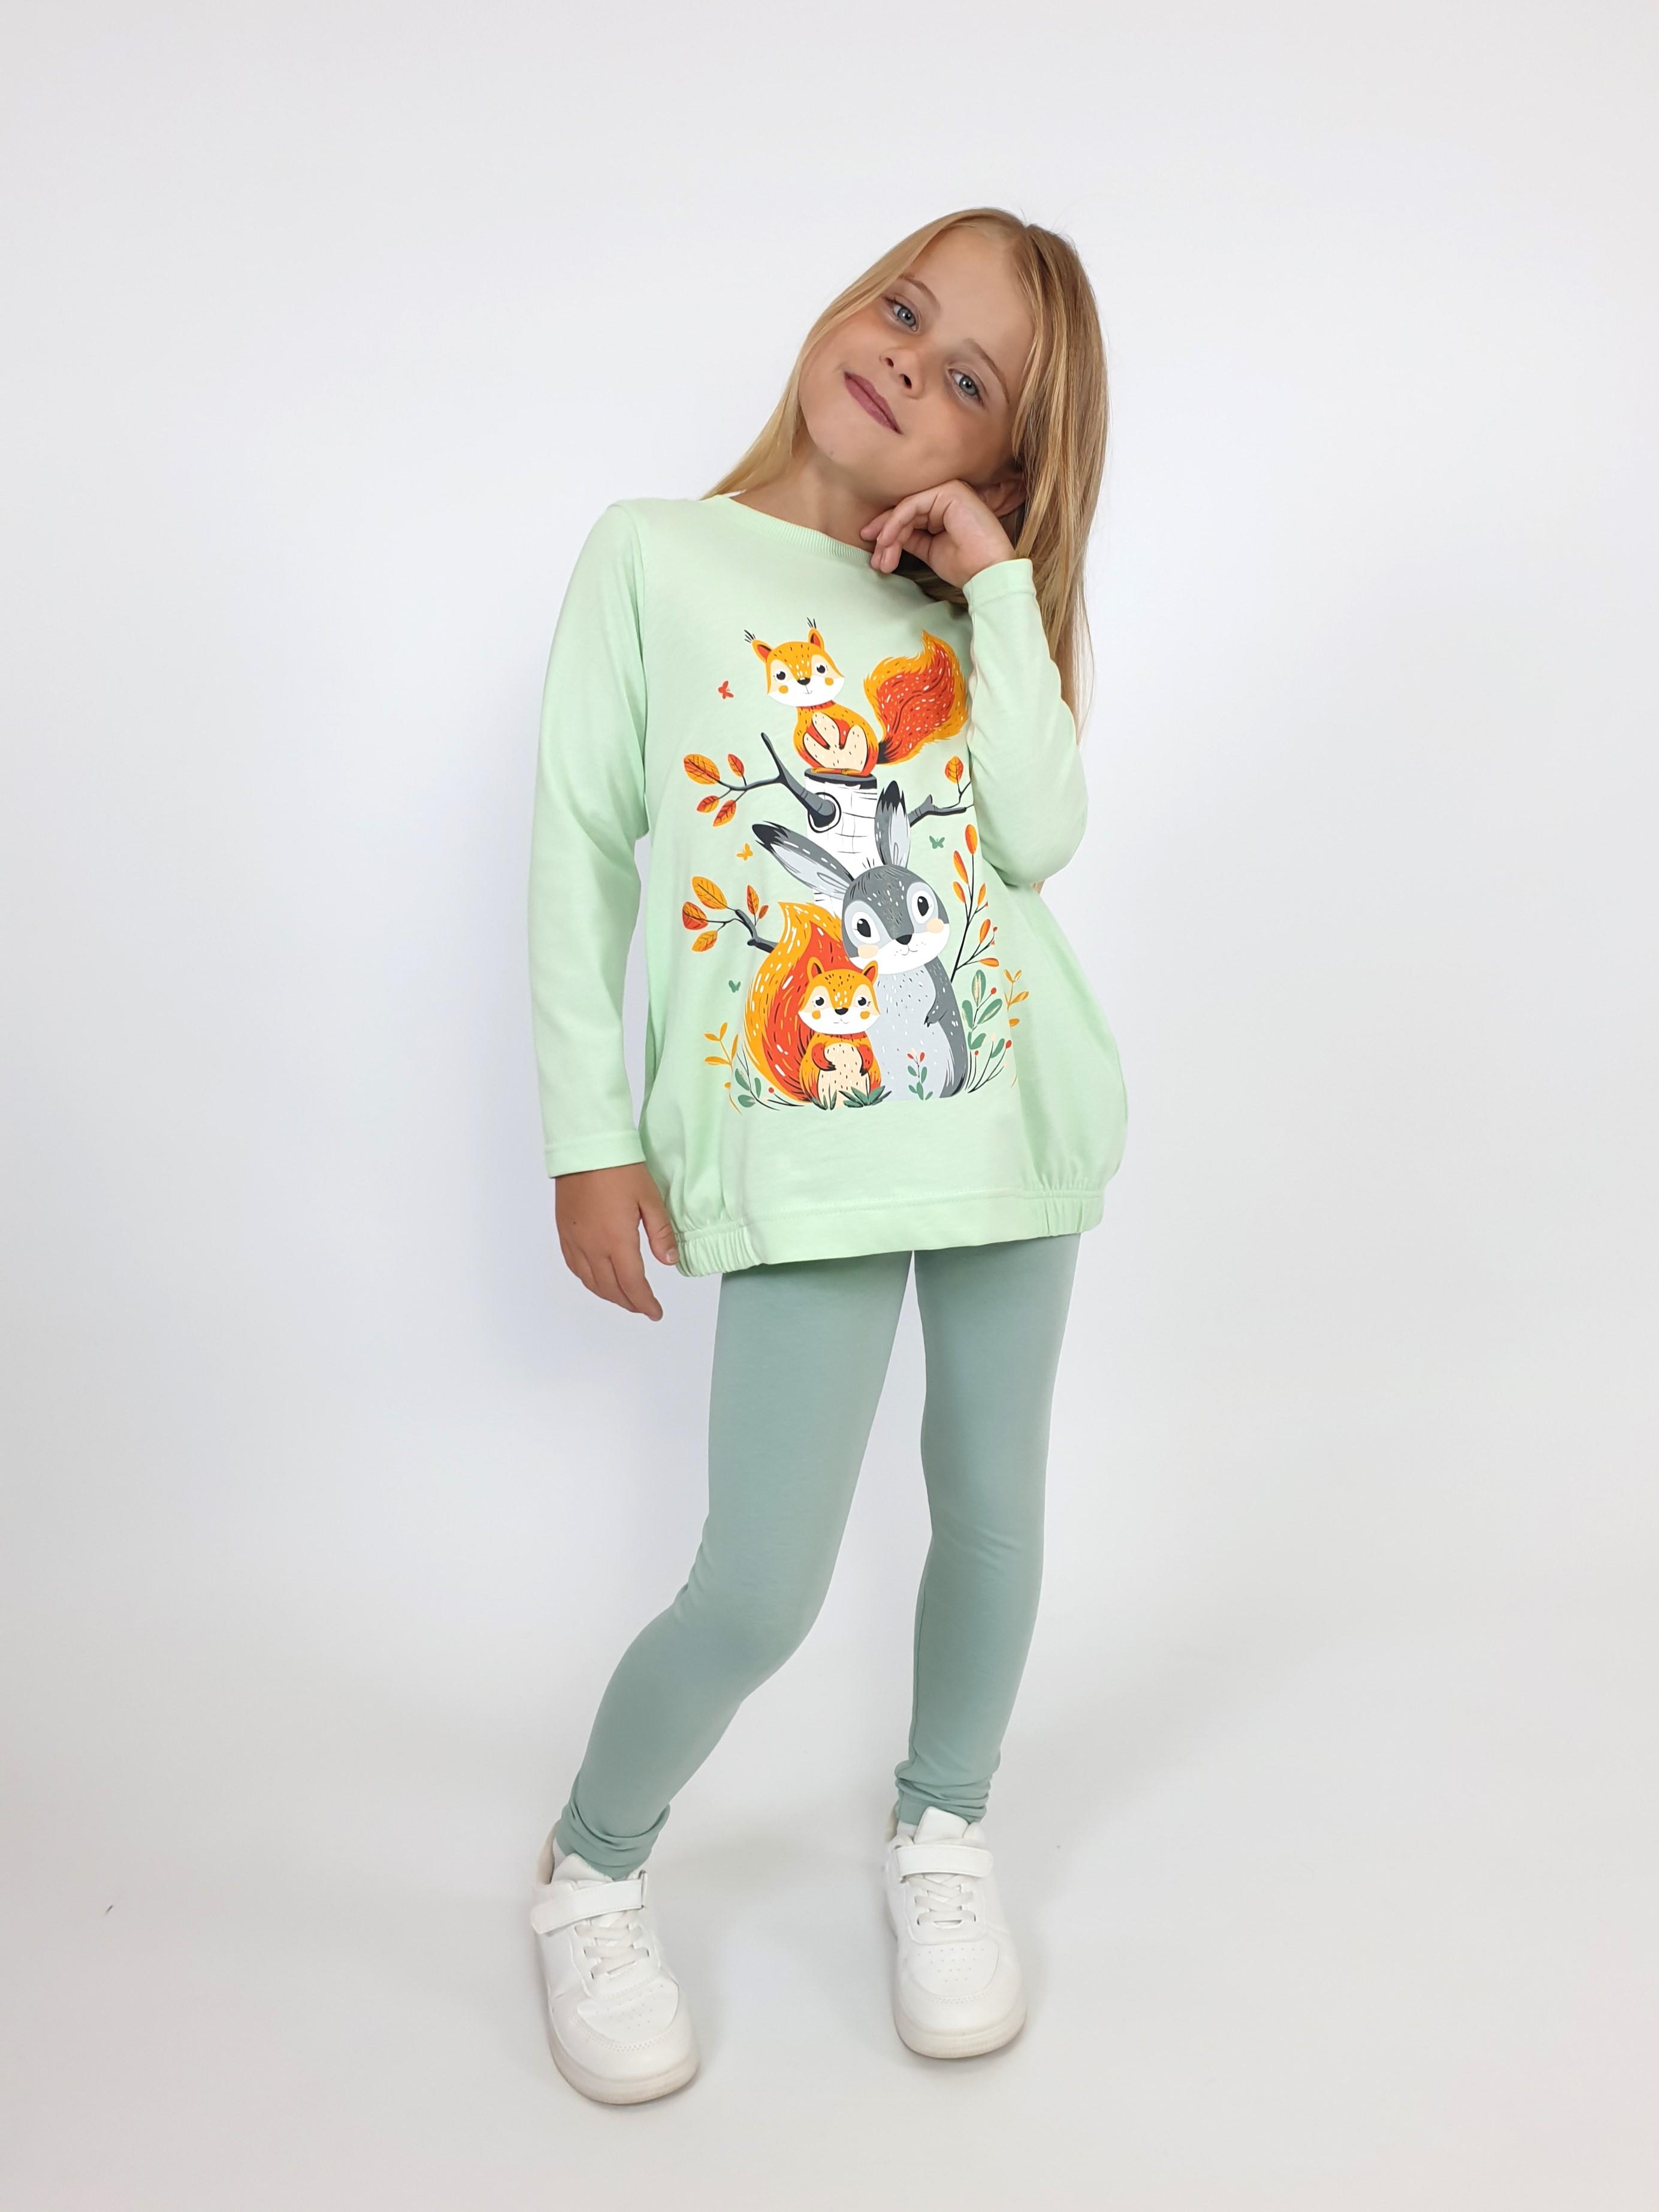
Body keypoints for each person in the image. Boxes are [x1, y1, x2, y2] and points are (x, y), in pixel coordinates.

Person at [525, 206, 1128, 2104]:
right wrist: (589, 1135)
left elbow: (1035, 837)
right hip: (802, 1152)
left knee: (994, 1514)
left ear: (997, 466)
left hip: (1007, 1118)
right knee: (759, 1585)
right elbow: (581, 852)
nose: (903, 363)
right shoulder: (654, 555)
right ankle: (590, 1864)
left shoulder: (964, 610)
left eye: (968, 381)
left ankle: (943, 1828)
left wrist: (1000, 584)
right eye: (902, 308)